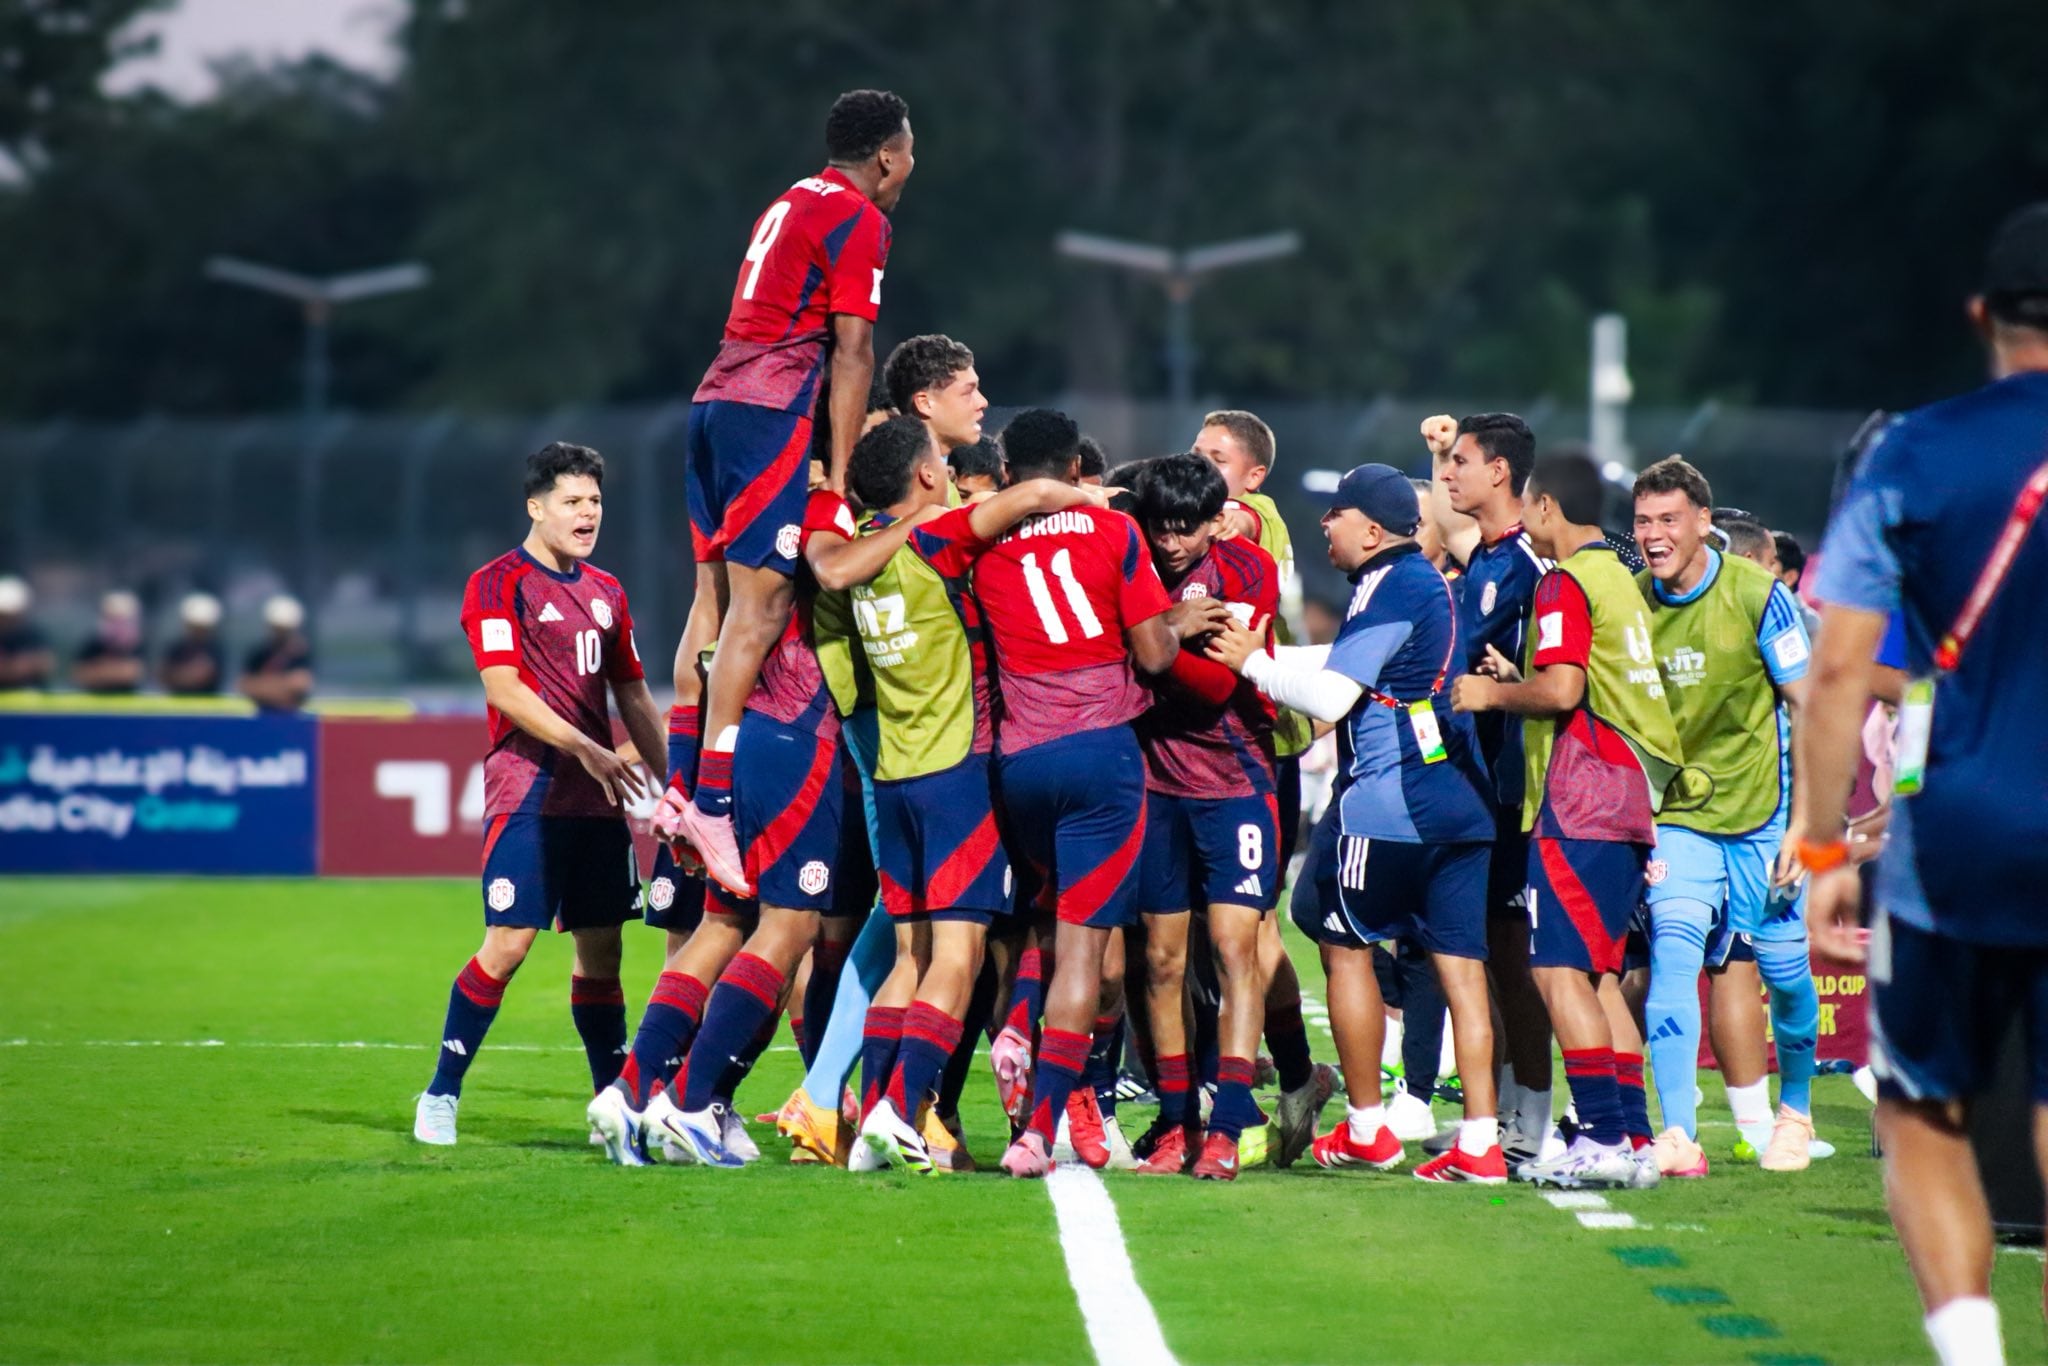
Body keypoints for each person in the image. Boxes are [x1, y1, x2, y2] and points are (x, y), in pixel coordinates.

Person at [1793, 201, 2048, 1366]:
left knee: (1921, 1105)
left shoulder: (1915, 451)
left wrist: (1818, 851)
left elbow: (1838, 662)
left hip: (1959, 838)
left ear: (1981, 315)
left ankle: (1972, 1354)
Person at [594, 437, 934, 1167]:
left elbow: (699, 646)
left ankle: (632, 1089)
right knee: (791, 926)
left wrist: (689, 769)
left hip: (742, 735)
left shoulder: (744, 517)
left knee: (724, 923)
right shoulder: (821, 516)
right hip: (798, 739)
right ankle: (690, 1101)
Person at [826, 417, 1116, 1171]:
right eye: (944, 466)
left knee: (909, 955)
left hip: (893, 774)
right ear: (925, 478)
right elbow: (1027, 501)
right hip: (956, 770)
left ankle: (876, 1120)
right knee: (957, 956)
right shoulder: (937, 535)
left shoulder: (863, 544)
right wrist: (1090, 498)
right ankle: (901, 1110)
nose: (955, 476)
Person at [1213, 464, 1503, 1182]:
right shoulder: (1415, 578)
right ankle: (1481, 1141)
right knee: (1462, 973)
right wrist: (1273, 657)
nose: (1324, 524)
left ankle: (1370, 1127)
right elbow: (1354, 667)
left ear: (1372, 530)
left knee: (1341, 945)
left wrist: (1253, 664)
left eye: (1335, 513)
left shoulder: (1388, 583)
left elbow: (1336, 698)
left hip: (1390, 803)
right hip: (1457, 803)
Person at [661, 89, 914, 900]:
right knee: (761, 609)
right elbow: (853, 350)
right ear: (885, 157)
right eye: (908, 155)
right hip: (767, 405)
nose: (909, 170)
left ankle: (678, 780)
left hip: (712, 400)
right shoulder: (859, 217)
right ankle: (712, 801)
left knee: (712, 597)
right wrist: (838, 480)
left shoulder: (793, 197)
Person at [975, 408, 1218, 1178]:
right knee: (1085, 949)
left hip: (1019, 759)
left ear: (1009, 474)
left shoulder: (980, 544)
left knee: (1035, 920)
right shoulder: (1116, 534)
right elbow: (1152, 655)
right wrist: (1175, 620)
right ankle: (1036, 1133)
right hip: (1101, 756)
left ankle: (1016, 1025)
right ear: (1080, 469)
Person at [414, 443, 667, 1147]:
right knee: (509, 943)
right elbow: (503, 690)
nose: (588, 514)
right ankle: (440, 1094)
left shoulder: (608, 592)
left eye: (594, 502)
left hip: (596, 803)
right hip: (527, 788)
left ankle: (610, 1106)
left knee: (604, 954)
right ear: (536, 507)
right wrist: (585, 746)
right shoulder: (497, 583)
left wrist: (675, 783)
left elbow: (635, 696)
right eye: (572, 502)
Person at [1453, 453, 1688, 1188]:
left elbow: (1564, 690)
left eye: (1529, 508)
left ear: (1547, 506)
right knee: (1600, 977)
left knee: (1556, 971)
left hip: (1583, 793)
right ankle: (1634, 1137)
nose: (1524, 522)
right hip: (1627, 793)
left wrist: (1493, 698)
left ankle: (1603, 1141)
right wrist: (1519, 681)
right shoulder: (1618, 575)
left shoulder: (1565, 580)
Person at [1631, 457, 1821, 1177]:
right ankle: (1678, 1133)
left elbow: (1808, 706)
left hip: (1766, 815)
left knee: (1782, 966)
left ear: (1703, 523)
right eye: (1643, 521)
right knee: (1676, 948)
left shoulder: (1756, 593)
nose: (1653, 536)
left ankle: (1795, 1111)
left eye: (1669, 520)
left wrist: (1807, 824)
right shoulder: (1634, 599)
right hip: (1681, 817)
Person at [1125, 453, 1305, 1175]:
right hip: (1156, 788)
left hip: (1234, 782)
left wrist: (1142, 646)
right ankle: (1176, 1120)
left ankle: (1230, 1119)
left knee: (1236, 949)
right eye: (1160, 528)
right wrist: (1166, 626)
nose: (1171, 544)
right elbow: (1156, 657)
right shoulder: (1130, 559)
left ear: (1216, 521)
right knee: (1163, 961)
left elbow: (1213, 679)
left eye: (1186, 530)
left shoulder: (1248, 568)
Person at [1190, 409, 1327, 1162]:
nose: (1199, 464)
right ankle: (1261, 1077)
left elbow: (1233, 522)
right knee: (1209, 933)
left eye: (1215, 456)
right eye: (1194, 452)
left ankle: (1263, 1083)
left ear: (1253, 474)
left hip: (1258, 746)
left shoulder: (1255, 516)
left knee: (1247, 929)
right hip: (1200, 748)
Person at [1435, 411, 1556, 1164]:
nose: (1449, 476)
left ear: (1500, 473)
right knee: (1488, 951)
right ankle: (1510, 1112)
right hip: (1473, 788)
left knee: (1516, 957)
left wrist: (1509, 688)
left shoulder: (1530, 569)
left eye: (1460, 463)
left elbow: (1559, 681)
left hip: (1516, 793)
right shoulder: (1481, 558)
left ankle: (1535, 1122)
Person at [239, 595, 314, 711]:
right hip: (262, 716)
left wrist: (263, 685)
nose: (281, 633)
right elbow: (245, 686)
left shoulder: (301, 654)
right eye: (277, 628)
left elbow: (301, 684)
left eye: (285, 629)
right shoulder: (258, 653)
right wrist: (284, 685)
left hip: (293, 717)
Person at [72, 591, 145, 694]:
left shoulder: (138, 646)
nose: (118, 626)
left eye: (123, 620)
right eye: (113, 619)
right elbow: (79, 675)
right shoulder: (93, 644)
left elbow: (133, 674)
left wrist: (100, 670)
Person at [159, 593, 225, 696]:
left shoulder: (217, 651)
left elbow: (207, 676)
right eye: (195, 626)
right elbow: (163, 676)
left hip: (207, 709)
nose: (198, 631)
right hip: (177, 707)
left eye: (202, 627)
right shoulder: (176, 649)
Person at [0, 576, 53, 690]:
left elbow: (45, 664)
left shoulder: (33, 635)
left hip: (29, 699)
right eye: (4, 615)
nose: (8, 620)